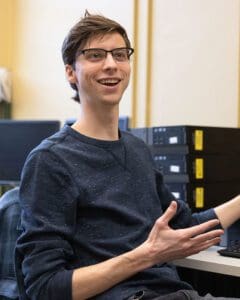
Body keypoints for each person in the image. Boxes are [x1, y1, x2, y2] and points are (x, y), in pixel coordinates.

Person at [16, 11, 240, 300]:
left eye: (120, 55)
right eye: (95, 55)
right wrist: (147, 255)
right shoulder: (50, 160)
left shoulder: (137, 151)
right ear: (70, 71)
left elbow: (185, 227)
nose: (111, 65)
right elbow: (44, 288)